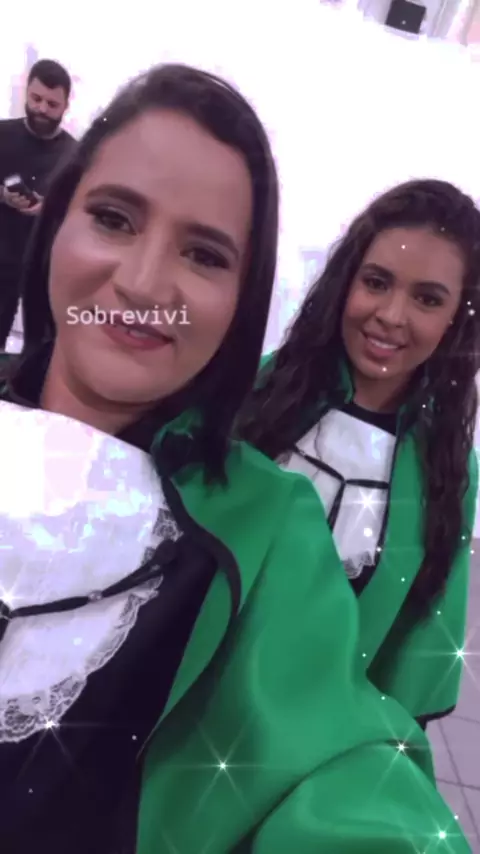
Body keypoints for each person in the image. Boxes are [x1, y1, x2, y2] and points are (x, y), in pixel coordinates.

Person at [0, 68, 470, 854]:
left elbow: (348, 775)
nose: (144, 283)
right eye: (113, 217)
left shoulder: (271, 526)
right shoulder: (264, 396)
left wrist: (367, 743)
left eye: (205, 254)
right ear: (54, 224)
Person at [240, 179, 479, 734]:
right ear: (345, 280)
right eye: (376, 282)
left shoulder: (447, 469)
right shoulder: (261, 392)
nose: (391, 315)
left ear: (456, 319)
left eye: (427, 299)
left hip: (311, 735)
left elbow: (420, 640)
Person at [0, 59, 76, 349]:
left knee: (39, 347)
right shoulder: (2, 134)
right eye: (36, 99)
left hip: (41, 268)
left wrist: (50, 207)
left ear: (66, 106)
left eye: (52, 104)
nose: (42, 109)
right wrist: (3, 195)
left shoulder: (75, 155)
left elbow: (82, 211)